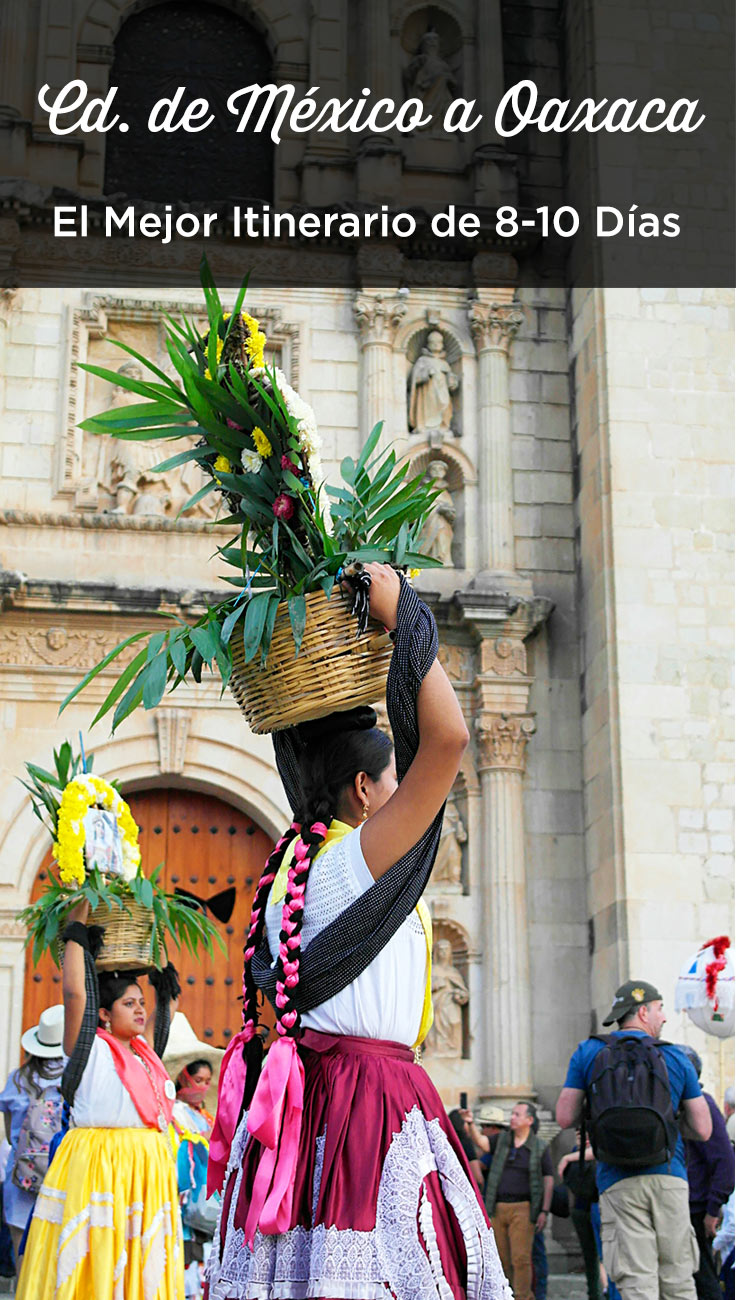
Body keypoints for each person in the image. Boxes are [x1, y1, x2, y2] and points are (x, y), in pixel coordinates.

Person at [206, 565, 512, 1299]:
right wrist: (405, 614)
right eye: (393, 778)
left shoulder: (299, 865)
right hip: (368, 1102)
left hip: (317, 1103)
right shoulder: (352, 861)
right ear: (366, 789)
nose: (406, 791)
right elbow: (448, 740)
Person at [16, 900, 185, 1300]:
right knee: (98, 1265)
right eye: (130, 1003)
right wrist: (77, 926)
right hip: (102, 1168)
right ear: (105, 1014)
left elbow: (169, 1004)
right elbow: (76, 992)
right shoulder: (89, 1051)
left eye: (141, 1002)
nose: (141, 1009)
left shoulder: (147, 1055)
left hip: (146, 1173)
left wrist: (156, 936)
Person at [556, 979, 713, 1300]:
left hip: (617, 1180)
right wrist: (669, 1128)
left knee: (636, 1284)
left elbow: (564, 1117)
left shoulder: (589, 1051)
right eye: (659, 1009)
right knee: (679, 1280)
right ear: (643, 1011)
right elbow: (704, 1128)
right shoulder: (675, 1056)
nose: (664, 1017)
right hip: (669, 1175)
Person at [0, 1005, 65, 1272]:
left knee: (23, 1264)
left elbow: (11, 1136)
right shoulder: (76, 1078)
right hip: (61, 1183)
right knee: (57, 1267)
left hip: (21, 1183)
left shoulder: (17, 1079)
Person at [165, 1013, 224, 1300]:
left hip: (204, 1195)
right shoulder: (174, 1113)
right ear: (182, 1077)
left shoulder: (205, 1116)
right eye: (197, 1080)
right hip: (183, 1194)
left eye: (207, 1081)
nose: (202, 1087)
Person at [483, 1101, 554, 1300]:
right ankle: (505, 1296)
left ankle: (524, 1297)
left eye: (517, 1114)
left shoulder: (539, 1146)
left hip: (523, 1208)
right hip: (498, 1207)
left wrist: (544, 1210)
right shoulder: (502, 1142)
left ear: (529, 1120)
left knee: (521, 1258)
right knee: (502, 1259)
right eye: (512, 1113)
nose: (512, 1117)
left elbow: (548, 1178)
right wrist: (469, 1126)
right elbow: (482, 1145)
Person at [680, 1045, 735, 1300]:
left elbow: (725, 1162)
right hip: (684, 1206)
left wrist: (713, 1210)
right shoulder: (678, 1106)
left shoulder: (704, 1106)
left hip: (697, 1209)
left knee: (703, 1279)